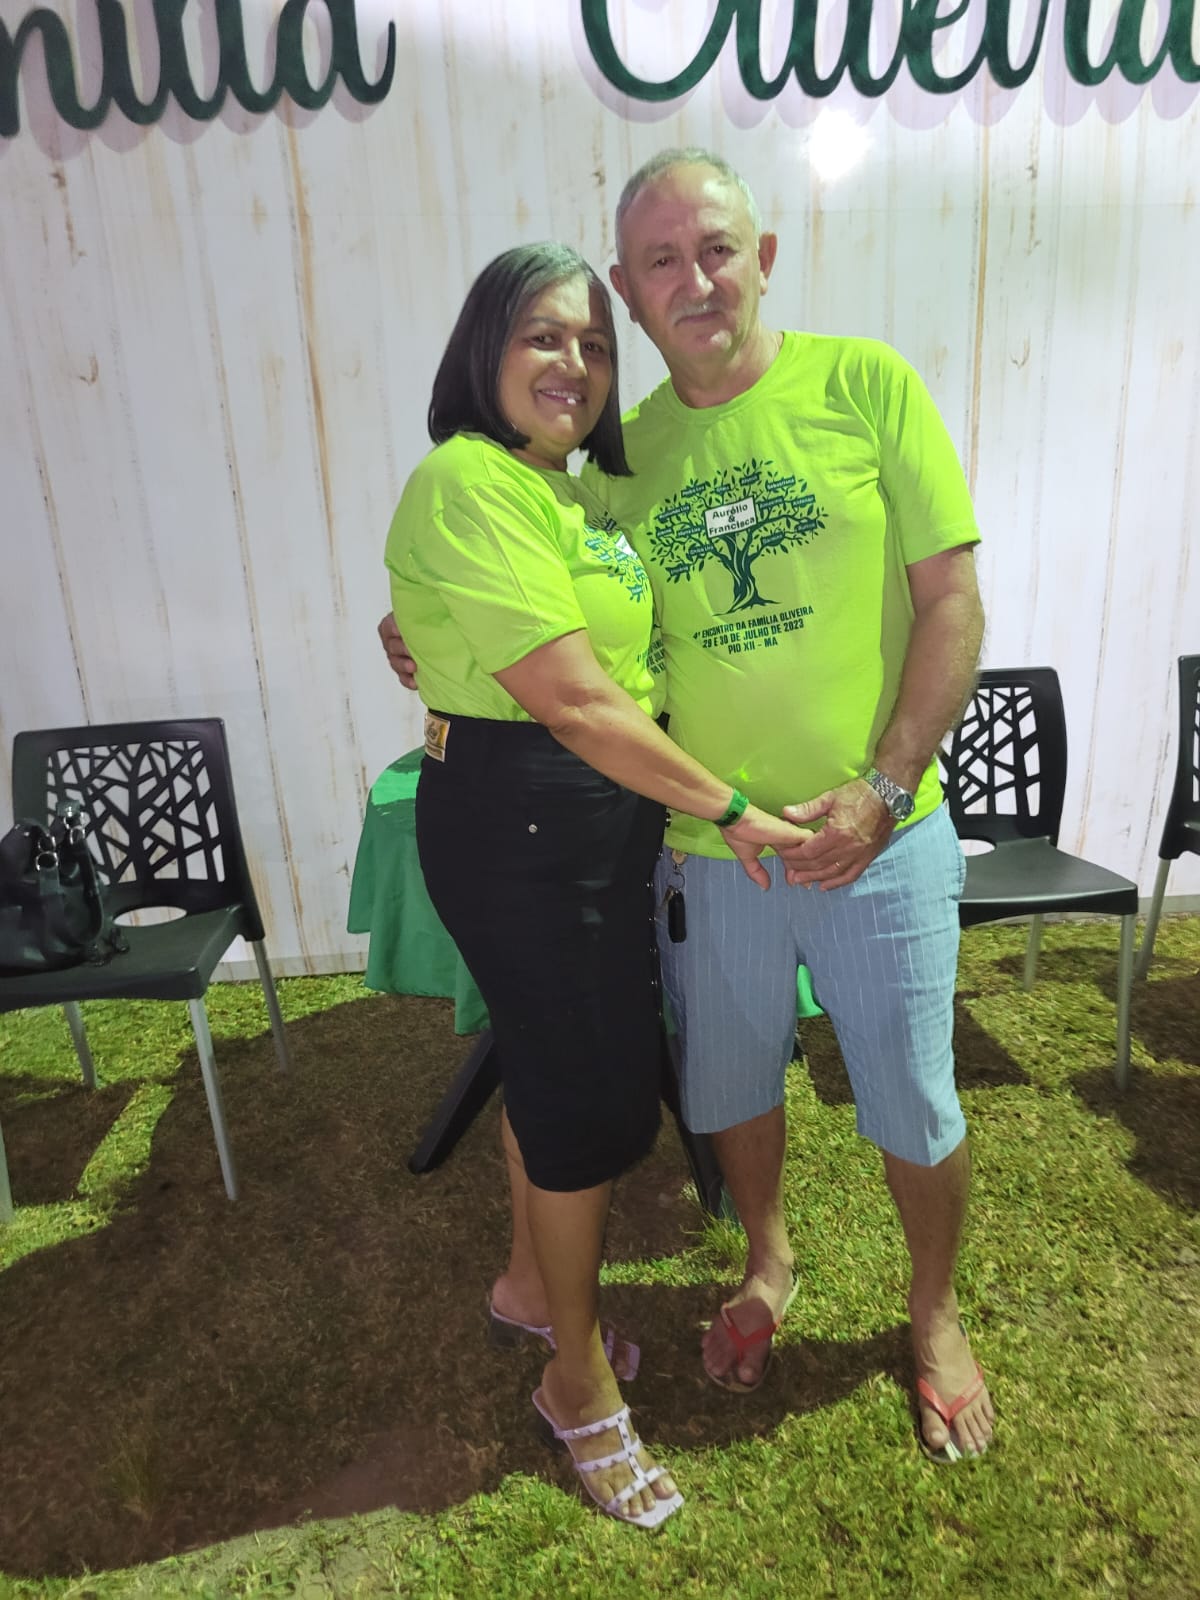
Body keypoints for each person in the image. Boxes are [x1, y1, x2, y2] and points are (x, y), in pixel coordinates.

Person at [382, 152, 995, 1464]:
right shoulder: (625, 456)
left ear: (762, 257)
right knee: (727, 1086)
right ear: (632, 288)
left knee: (914, 1102)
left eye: (716, 249)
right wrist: (427, 623)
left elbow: (953, 601)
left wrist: (886, 785)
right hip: (709, 855)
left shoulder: (866, 384)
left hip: (880, 836)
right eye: (660, 262)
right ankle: (767, 1262)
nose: (695, 280)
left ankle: (936, 1316)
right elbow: (551, 575)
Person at [383, 241, 808, 1527]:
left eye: (593, 342)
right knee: (584, 1099)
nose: (575, 361)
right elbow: (572, 699)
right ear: (486, 349)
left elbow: (610, 656)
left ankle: (530, 1288)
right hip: (524, 820)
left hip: (588, 822)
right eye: (543, 335)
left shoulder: (571, 494)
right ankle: (574, 1381)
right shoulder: (469, 478)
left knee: (559, 1068)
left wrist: (421, 627)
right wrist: (728, 807)